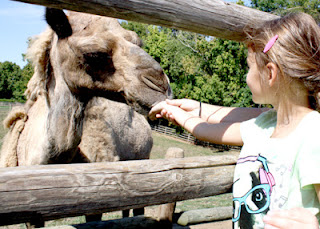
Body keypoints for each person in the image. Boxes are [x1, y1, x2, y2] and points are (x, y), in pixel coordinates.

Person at [149, 12, 320, 229]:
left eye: (249, 67)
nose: (246, 76)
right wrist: (176, 110)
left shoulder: (314, 133)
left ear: (270, 74)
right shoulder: (265, 126)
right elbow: (206, 132)